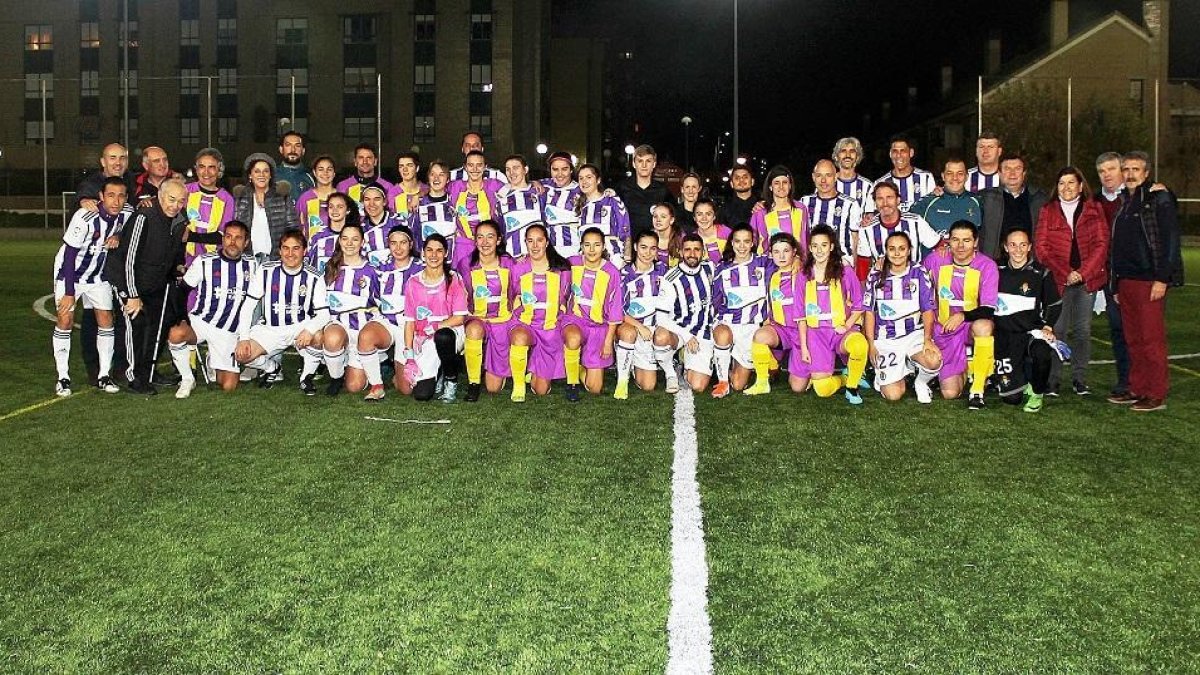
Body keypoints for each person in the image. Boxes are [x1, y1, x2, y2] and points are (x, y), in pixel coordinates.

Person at [1107, 151, 1183, 412]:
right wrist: (1115, 283)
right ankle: (1137, 388)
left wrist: (1162, 278)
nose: (1129, 174)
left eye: (1135, 169)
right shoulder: (1124, 202)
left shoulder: (1157, 199)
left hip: (1149, 281)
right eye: (1126, 169)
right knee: (1133, 339)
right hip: (1126, 281)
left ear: (1146, 173)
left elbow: (1170, 241)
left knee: (1151, 339)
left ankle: (1156, 393)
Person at [51, 177, 134, 395]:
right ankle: (63, 377)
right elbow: (69, 255)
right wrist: (69, 293)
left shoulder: (126, 213)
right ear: (100, 197)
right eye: (110, 195)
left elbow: (134, 225)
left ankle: (104, 376)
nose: (116, 201)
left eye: (121, 196)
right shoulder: (84, 216)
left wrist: (118, 234)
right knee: (65, 319)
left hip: (98, 277)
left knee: (106, 320)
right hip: (70, 274)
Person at [106, 179, 189, 395]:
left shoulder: (180, 220)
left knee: (155, 328)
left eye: (181, 201)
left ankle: (148, 373)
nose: (175, 205)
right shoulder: (144, 217)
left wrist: (176, 268)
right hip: (128, 280)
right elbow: (129, 259)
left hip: (155, 283)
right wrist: (132, 294)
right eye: (171, 199)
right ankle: (131, 376)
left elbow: (172, 251)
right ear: (160, 197)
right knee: (136, 325)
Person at [1035, 166, 1110, 396]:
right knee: (1057, 331)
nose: (1066, 188)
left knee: (1082, 331)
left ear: (1080, 186)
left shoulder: (1094, 209)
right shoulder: (1048, 210)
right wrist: (1065, 271)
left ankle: (1079, 379)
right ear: (1056, 187)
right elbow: (1041, 248)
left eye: (1071, 183)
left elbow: (1101, 244)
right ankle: (1053, 381)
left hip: (1086, 281)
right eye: (1061, 183)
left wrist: (1083, 272)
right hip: (1059, 281)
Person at [167, 220, 257, 398]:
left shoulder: (252, 265)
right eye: (229, 237)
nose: (232, 242)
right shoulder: (205, 261)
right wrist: (183, 318)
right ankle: (187, 379)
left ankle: (212, 360)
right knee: (176, 333)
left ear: (246, 243)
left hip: (228, 330)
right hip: (201, 321)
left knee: (229, 386)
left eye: (238, 238)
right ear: (223, 239)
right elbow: (182, 291)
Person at [234, 229, 329, 391]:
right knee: (241, 355)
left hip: (300, 327)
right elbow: (248, 306)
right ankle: (272, 368)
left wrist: (309, 330)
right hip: (270, 329)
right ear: (279, 251)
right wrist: (243, 338)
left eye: (296, 248)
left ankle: (306, 377)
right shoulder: (265, 270)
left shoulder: (315, 276)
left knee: (319, 336)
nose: (290, 253)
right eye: (286, 248)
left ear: (304, 251)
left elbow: (324, 314)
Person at [923, 220, 999, 409]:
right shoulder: (935, 260)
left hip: (967, 326)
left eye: (966, 240)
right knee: (950, 394)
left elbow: (988, 308)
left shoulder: (987, 266)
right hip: (942, 330)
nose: (960, 245)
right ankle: (969, 367)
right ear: (948, 241)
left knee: (984, 326)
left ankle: (977, 389)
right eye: (955, 240)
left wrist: (962, 316)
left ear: (976, 242)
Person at [74, 144, 134, 385]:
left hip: (117, 265)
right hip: (92, 267)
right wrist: (83, 200)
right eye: (112, 158)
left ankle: (115, 366)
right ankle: (94, 366)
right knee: (92, 316)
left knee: (119, 316)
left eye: (122, 158)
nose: (117, 162)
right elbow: (85, 203)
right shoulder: (92, 186)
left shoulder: (129, 181)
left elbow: (129, 215)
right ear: (102, 161)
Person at [862, 231, 941, 403]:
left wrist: (928, 339)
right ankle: (895, 372)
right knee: (894, 395)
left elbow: (928, 309)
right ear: (886, 251)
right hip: (886, 339)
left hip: (914, 334)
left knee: (934, 360)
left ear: (909, 250)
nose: (897, 253)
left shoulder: (919, 273)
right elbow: (869, 312)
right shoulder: (875, 276)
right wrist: (871, 344)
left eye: (901, 248)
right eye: (892, 249)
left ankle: (920, 381)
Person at [793, 225, 868, 404]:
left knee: (859, 344)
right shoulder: (803, 275)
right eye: (815, 246)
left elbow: (860, 304)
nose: (819, 250)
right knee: (823, 390)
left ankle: (852, 387)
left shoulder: (845, 271)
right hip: (816, 335)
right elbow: (801, 315)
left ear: (832, 247)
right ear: (809, 248)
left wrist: (847, 325)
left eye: (824, 245)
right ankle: (844, 379)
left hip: (839, 332)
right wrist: (804, 347)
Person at [994, 229, 1063, 413]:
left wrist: (1048, 326)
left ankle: (1038, 391)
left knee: (1042, 351)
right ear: (1005, 247)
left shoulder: (1041, 273)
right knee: (1012, 399)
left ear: (1030, 247)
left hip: (1032, 332)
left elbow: (1055, 304)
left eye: (1023, 245)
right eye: (1013, 245)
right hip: (1005, 335)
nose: (1018, 250)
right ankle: (1021, 380)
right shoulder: (995, 269)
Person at [357, 224, 424, 401]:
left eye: (403, 243)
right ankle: (376, 385)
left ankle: (396, 367)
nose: (398, 248)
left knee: (406, 389)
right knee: (366, 336)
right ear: (388, 245)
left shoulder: (421, 269)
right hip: (387, 322)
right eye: (393, 243)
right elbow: (372, 299)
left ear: (411, 244)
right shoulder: (379, 269)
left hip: (409, 327)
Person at [509, 223, 573, 401]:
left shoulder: (562, 269)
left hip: (549, 330)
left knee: (541, 390)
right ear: (525, 243)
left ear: (546, 242)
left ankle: (532, 366)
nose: (535, 246)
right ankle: (518, 384)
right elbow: (512, 295)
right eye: (530, 241)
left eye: (539, 240)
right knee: (520, 338)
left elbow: (565, 298)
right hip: (525, 324)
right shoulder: (517, 268)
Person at [402, 233, 469, 403]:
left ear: (446, 253)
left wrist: (437, 326)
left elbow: (460, 317)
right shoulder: (413, 282)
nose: (434, 255)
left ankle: (451, 379)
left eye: (439, 251)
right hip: (424, 339)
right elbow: (410, 321)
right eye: (429, 250)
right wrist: (409, 356)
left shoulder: (454, 278)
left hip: (450, 333)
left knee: (443, 336)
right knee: (422, 394)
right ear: (423, 253)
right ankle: (438, 372)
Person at [561, 228, 624, 401]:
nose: (591, 249)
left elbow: (615, 309)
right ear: (581, 246)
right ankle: (571, 383)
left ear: (603, 247)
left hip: (599, 328)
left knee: (594, 389)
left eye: (596, 245)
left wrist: (608, 341)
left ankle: (578, 365)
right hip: (575, 321)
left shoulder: (612, 272)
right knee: (573, 338)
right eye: (587, 245)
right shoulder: (571, 264)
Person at [458, 220, 517, 402]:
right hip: (477, 319)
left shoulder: (509, 263)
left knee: (493, 388)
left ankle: (504, 362)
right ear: (475, 241)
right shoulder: (465, 264)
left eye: (490, 237)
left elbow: (518, 292)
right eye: (480, 237)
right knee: (474, 330)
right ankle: (473, 383)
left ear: (499, 240)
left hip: (503, 322)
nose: (485, 242)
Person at [319, 222, 380, 396]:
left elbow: (379, 304)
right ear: (339, 241)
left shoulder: (372, 271)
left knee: (354, 386)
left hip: (362, 333)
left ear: (362, 242)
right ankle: (336, 377)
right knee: (332, 337)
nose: (349, 243)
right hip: (338, 326)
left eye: (355, 239)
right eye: (345, 239)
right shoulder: (330, 268)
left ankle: (364, 359)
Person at [711, 223, 772, 397]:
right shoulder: (722, 269)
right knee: (722, 334)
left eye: (746, 241)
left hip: (751, 328)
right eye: (738, 241)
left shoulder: (764, 263)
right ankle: (722, 380)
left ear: (753, 242)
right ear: (732, 243)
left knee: (738, 385)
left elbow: (788, 262)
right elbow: (716, 301)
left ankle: (729, 364)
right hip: (728, 323)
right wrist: (716, 324)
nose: (742, 246)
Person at [654, 233, 717, 394]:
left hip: (703, 331)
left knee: (698, 386)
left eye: (697, 250)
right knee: (661, 336)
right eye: (687, 250)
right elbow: (660, 317)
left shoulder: (711, 269)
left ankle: (686, 363)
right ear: (681, 252)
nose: (692, 254)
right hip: (679, 329)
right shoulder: (671, 278)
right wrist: (687, 335)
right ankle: (670, 372)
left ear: (703, 252)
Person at [742, 232, 803, 396]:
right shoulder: (771, 275)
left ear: (794, 252)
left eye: (786, 251)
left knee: (798, 387)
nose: (781, 256)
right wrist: (769, 319)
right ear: (770, 254)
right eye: (776, 252)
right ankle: (762, 382)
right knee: (760, 335)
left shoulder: (804, 273)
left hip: (803, 333)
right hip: (781, 329)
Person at [1093, 151, 1131, 398]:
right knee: (1116, 329)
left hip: (1128, 275)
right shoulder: (1093, 201)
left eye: (1111, 169)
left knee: (1130, 330)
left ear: (1122, 171)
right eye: (1102, 171)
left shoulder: (1135, 197)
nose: (1107, 175)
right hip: (1101, 274)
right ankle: (1125, 380)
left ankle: (1133, 381)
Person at [614, 231, 668, 399]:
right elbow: (619, 310)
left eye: (653, 248)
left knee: (648, 386)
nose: (648, 253)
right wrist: (640, 326)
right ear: (636, 247)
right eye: (643, 247)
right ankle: (622, 381)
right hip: (632, 326)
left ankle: (634, 362)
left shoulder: (664, 271)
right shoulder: (623, 274)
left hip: (653, 330)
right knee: (628, 332)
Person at [856, 181, 943, 277]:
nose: (885, 203)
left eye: (889, 197)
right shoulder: (867, 229)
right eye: (880, 199)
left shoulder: (916, 222)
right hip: (883, 284)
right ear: (875, 203)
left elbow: (938, 245)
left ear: (898, 200)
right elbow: (862, 264)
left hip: (914, 281)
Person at [977, 154, 1049, 259]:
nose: (1012, 173)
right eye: (1007, 169)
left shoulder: (1039, 199)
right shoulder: (985, 198)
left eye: (1017, 168)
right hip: (994, 263)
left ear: (1024, 173)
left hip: (1029, 265)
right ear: (999, 173)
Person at [235, 153, 300, 261]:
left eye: (266, 171)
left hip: (276, 259)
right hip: (247, 259)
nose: (262, 175)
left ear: (270, 175)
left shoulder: (282, 197)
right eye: (257, 171)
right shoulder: (240, 198)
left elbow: (293, 230)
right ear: (250, 175)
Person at [447, 150, 505, 266]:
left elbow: (517, 187)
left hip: (488, 245)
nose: (475, 169)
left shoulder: (494, 185)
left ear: (485, 167)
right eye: (470, 165)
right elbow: (433, 190)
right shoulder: (454, 186)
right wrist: (419, 194)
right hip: (462, 246)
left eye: (479, 165)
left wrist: (535, 184)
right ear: (465, 167)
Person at [800, 158, 862, 263]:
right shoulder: (804, 202)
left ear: (836, 177)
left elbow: (855, 239)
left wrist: (853, 270)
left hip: (841, 263)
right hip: (813, 264)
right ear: (813, 177)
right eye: (819, 176)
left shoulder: (850, 204)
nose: (823, 180)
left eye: (828, 175)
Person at [183, 148, 236, 268]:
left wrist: (191, 236)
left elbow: (222, 236)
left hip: (214, 263)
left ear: (219, 170)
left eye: (211, 167)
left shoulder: (227, 199)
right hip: (184, 261)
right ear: (196, 169)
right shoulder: (185, 191)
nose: (206, 172)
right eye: (202, 167)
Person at [910, 157, 982, 236]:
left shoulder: (978, 202)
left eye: (960, 173)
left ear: (967, 177)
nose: (955, 178)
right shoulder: (926, 203)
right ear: (943, 176)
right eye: (950, 173)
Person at [574, 164, 631, 262]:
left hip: (612, 258)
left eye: (589, 177)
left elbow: (625, 228)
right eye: (581, 178)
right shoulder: (579, 205)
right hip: (587, 260)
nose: (584, 181)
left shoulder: (612, 200)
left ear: (598, 180)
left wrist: (627, 254)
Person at [750, 165, 811, 254]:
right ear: (770, 187)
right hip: (769, 265)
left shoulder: (801, 209)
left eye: (785, 182)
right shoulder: (761, 212)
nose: (781, 186)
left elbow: (806, 238)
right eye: (777, 183)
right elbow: (751, 239)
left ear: (790, 185)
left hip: (797, 264)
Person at [495, 155, 544, 259]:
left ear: (525, 170)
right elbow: (500, 230)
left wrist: (535, 182)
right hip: (514, 258)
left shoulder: (539, 192)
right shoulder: (501, 197)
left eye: (516, 168)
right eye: (508, 169)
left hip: (539, 257)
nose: (511, 173)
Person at [616, 144, 669, 238]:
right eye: (640, 161)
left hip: (654, 246)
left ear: (654, 164)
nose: (644, 165)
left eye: (648, 161)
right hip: (627, 244)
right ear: (633, 163)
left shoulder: (663, 191)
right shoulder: (622, 188)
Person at [872, 135, 936, 212]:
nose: (899, 155)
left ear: (911, 153)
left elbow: (932, 208)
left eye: (903, 151)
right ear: (890, 154)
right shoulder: (880, 183)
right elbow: (877, 212)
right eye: (895, 151)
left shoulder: (926, 178)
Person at [411, 161, 459, 259]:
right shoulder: (418, 204)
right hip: (426, 264)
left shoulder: (455, 202)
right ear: (428, 178)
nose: (436, 178)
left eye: (441, 174)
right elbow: (413, 235)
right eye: (433, 174)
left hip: (451, 264)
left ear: (448, 179)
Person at [540, 152, 583, 258]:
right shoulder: (545, 186)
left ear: (571, 170)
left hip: (575, 252)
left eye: (564, 169)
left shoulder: (581, 190)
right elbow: (523, 185)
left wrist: (609, 193)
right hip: (550, 253)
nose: (559, 174)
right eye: (555, 169)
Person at [306, 192, 359, 275]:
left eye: (340, 207)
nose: (335, 210)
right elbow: (309, 265)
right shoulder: (317, 237)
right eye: (331, 207)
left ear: (348, 210)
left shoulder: (357, 236)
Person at [295, 155, 337, 239]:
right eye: (321, 169)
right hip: (312, 250)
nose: (325, 173)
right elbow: (298, 226)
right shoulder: (305, 198)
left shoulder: (342, 197)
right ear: (314, 172)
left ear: (334, 173)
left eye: (329, 169)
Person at [831, 137, 875, 217]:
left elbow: (870, 216)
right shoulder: (827, 184)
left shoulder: (868, 186)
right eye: (843, 151)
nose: (847, 155)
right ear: (836, 156)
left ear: (857, 157)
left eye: (852, 151)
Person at [359, 184, 401, 268]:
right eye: (367, 199)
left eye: (377, 199)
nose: (372, 204)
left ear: (384, 201)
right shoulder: (360, 229)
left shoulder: (399, 221)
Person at [387, 151, 428, 224]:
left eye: (409, 165)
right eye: (401, 166)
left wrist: (418, 195)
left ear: (417, 168)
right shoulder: (393, 192)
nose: (405, 169)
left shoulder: (426, 189)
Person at [275, 131, 314, 196]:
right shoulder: (271, 175)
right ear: (281, 149)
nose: (293, 150)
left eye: (297, 146)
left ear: (303, 151)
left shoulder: (312, 176)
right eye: (288, 145)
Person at [693, 198, 730, 264]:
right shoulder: (692, 239)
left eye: (708, 214)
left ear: (714, 216)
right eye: (699, 214)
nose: (704, 218)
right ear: (694, 218)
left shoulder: (726, 232)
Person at [651, 202, 684, 267]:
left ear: (671, 220)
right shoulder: (648, 238)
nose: (658, 220)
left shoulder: (681, 238)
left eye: (663, 217)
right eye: (655, 216)